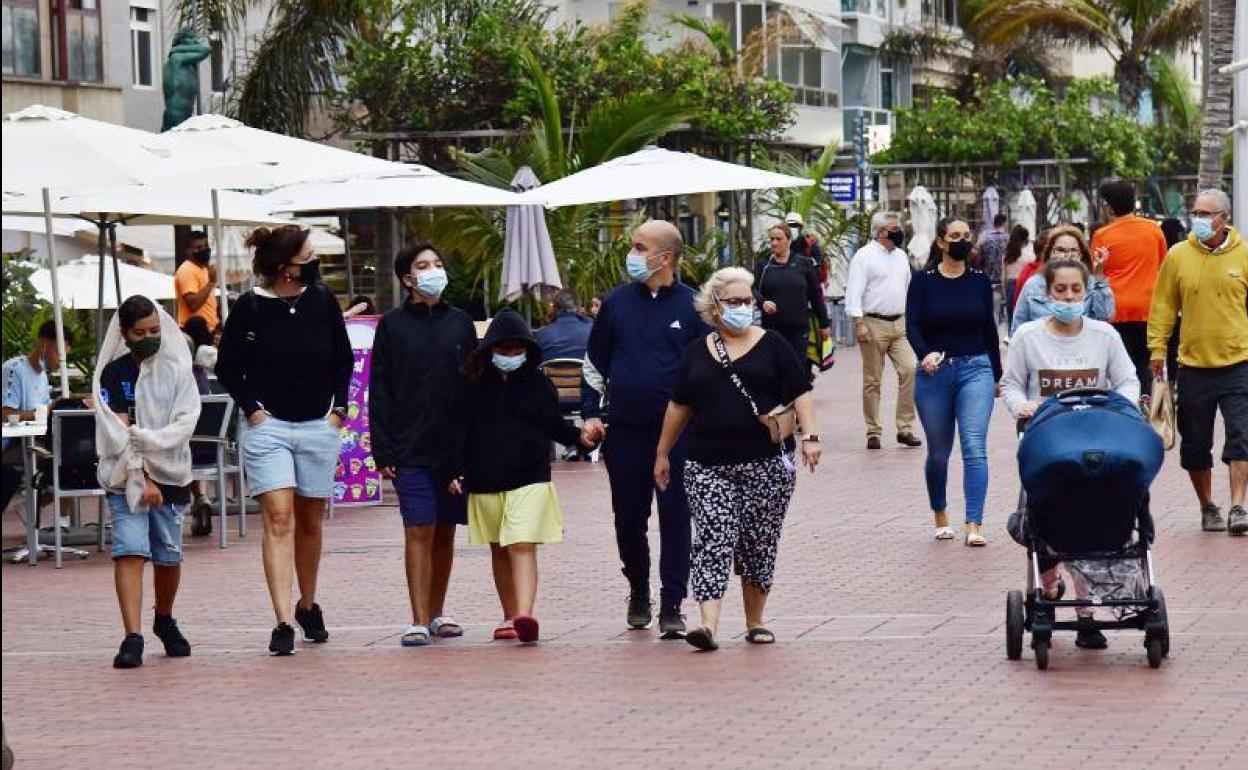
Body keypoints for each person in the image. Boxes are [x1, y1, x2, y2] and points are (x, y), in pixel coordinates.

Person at [653, 267, 820, 651]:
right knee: (714, 536)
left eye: (748, 301)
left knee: (758, 542)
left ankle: (755, 621)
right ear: (714, 306)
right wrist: (663, 452)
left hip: (766, 463)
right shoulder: (697, 351)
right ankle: (707, 625)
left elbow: (801, 393)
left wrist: (810, 436)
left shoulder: (774, 344)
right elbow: (679, 406)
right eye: (734, 302)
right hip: (707, 464)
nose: (744, 308)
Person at [216, 225, 353, 655]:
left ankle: (307, 604)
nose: (313, 263)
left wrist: (339, 411)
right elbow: (227, 366)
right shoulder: (250, 308)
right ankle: (280, 621)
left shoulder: (323, 301)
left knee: (310, 519)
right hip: (268, 427)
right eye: (306, 257)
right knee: (279, 517)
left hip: (318, 423)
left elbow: (342, 358)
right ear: (284, 268)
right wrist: (252, 409)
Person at [1000, 259, 1140, 648]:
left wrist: (1121, 406)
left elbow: (1127, 380)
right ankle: (1048, 586)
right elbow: (1010, 386)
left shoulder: (1104, 336)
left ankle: (1086, 611)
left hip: (1096, 439)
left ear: (1085, 292)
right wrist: (1022, 407)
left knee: (1092, 516)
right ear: (1047, 294)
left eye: (1076, 290)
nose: (1068, 297)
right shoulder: (1029, 337)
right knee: (1046, 518)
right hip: (1047, 443)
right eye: (1060, 291)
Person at [581, 220, 709, 636]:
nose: (632, 256)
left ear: (665, 257)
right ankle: (638, 588)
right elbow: (594, 363)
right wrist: (591, 412)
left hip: (679, 435)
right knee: (628, 518)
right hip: (627, 431)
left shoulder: (693, 306)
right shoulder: (616, 303)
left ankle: (673, 602)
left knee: (676, 516)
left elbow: (708, 368)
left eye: (639, 248)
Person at [449, 309, 592, 644]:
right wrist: (453, 467)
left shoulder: (538, 383)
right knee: (500, 546)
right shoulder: (470, 384)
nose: (511, 357)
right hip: (484, 476)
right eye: (504, 351)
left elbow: (552, 423)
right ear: (489, 351)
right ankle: (509, 614)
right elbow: (457, 429)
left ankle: (524, 614)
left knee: (522, 544)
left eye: (517, 351)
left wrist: (578, 438)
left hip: (530, 475)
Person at [370, 243, 477, 646]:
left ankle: (437, 611)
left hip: (453, 447)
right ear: (407, 279)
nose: (433, 270)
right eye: (422, 266)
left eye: (438, 263)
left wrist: (472, 445)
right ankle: (416, 617)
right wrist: (383, 448)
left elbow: (473, 383)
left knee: (446, 529)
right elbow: (379, 388)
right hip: (408, 443)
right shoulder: (393, 326)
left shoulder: (460, 323)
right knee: (419, 526)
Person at [93, 296, 201, 668]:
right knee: (130, 550)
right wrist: (140, 472)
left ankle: (164, 618)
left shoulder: (176, 369)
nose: (149, 338)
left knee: (168, 556)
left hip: (172, 474)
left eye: (155, 330)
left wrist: (152, 447)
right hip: (124, 477)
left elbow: (185, 421)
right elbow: (117, 430)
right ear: (124, 334)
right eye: (140, 333)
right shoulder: (113, 374)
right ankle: (132, 635)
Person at [1147, 189, 1248, 536]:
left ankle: (1238, 506)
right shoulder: (1177, 255)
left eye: (1205, 213)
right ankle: (1207, 506)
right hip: (1193, 366)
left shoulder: (1244, 255)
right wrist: (1157, 350)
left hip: (1239, 362)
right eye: (1195, 212)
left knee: (1242, 435)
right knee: (1195, 445)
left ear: (1223, 218)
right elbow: (1161, 307)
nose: (1198, 219)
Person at [907, 217, 1002, 545]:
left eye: (967, 235)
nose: (963, 241)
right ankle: (940, 514)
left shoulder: (979, 280)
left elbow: (989, 328)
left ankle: (974, 523)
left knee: (974, 446)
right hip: (935, 372)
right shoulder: (923, 281)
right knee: (938, 453)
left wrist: (997, 374)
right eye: (955, 236)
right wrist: (924, 353)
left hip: (976, 367)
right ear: (942, 243)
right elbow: (913, 325)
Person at [845, 211, 921, 450]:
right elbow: (854, 292)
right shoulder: (864, 257)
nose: (898, 231)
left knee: (910, 368)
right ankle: (873, 430)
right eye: (893, 228)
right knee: (872, 380)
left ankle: (905, 427)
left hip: (900, 323)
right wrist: (859, 323)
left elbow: (909, 289)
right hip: (872, 322)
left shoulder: (900, 256)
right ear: (880, 232)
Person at [1091, 180, 1167, 395]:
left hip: (1116, 310)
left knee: (1119, 369)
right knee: (1144, 365)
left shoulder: (1102, 236)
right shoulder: (1154, 231)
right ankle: (1144, 406)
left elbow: (1097, 273)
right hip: (1148, 309)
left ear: (1108, 205)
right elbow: (1163, 267)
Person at [1, 321, 73, 516]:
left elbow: (45, 413)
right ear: (43, 345)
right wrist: (46, 410)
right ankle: (44, 513)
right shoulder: (14, 369)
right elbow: (5, 415)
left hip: (29, 441)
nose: (61, 361)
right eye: (59, 353)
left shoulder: (42, 376)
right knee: (66, 458)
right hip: (10, 445)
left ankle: (53, 517)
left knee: (74, 455)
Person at [754, 223, 831, 374]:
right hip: (772, 329)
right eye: (772, 239)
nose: (774, 243)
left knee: (797, 371)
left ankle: (797, 397)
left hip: (798, 329)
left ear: (788, 241)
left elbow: (816, 296)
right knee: (775, 371)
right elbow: (754, 289)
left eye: (778, 239)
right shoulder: (764, 265)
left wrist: (824, 324)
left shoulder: (804, 263)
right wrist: (763, 303)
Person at [1010, 225, 1114, 335]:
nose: (1066, 256)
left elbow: (1105, 317)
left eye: (1073, 250)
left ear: (1081, 255)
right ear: (1050, 253)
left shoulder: (1092, 283)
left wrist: (1098, 276)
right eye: (1060, 250)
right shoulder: (1033, 285)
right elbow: (1018, 329)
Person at [180, 315, 217, 537]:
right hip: (211, 449)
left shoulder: (174, 379)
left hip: (182, 448)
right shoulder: (201, 376)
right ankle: (201, 497)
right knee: (196, 440)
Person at [174, 231, 219, 331]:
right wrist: (211, 283)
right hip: (194, 331)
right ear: (188, 251)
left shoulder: (202, 268)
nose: (204, 250)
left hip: (208, 328)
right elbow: (193, 304)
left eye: (206, 246)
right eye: (199, 248)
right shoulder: (187, 270)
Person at [536, 289, 593, 362]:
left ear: (555, 308)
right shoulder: (592, 331)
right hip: (585, 373)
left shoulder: (542, 334)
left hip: (552, 372)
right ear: (578, 307)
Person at [977, 213, 1010, 295]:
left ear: (994, 223)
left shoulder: (984, 238)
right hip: (1003, 279)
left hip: (988, 278)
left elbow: (979, 259)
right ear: (1004, 223)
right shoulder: (1008, 239)